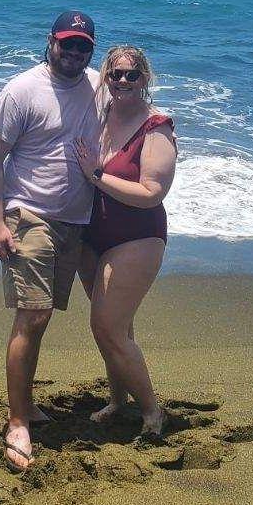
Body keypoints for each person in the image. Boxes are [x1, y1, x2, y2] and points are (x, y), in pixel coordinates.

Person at [0, 10, 102, 471]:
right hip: (28, 216)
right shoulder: (21, 90)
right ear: (50, 42)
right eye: (66, 43)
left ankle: (26, 405)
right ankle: (18, 422)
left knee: (43, 317)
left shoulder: (98, 87)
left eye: (82, 46)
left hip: (75, 222)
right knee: (33, 315)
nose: (73, 53)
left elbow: (131, 110)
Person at [73, 44, 176, 437]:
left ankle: (152, 412)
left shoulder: (156, 127)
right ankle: (118, 400)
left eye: (131, 74)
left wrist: (97, 175)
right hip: (92, 234)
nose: (122, 81)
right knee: (116, 327)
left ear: (144, 79)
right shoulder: (99, 115)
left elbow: (152, 192)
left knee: (107, 326)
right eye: (114, 74)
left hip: (138, 237)